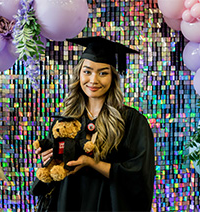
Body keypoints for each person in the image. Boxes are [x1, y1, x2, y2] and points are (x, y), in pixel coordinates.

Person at [32, 36, 155, 211]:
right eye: (87, 71)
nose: (93, 80)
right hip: (69, 203)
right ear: (79, 74)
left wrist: (92, 163)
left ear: (113, 77)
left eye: (103, 73)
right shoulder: (66, 121)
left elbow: (140, 174)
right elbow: (55, 180)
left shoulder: (131, 121)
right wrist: (51, 160)